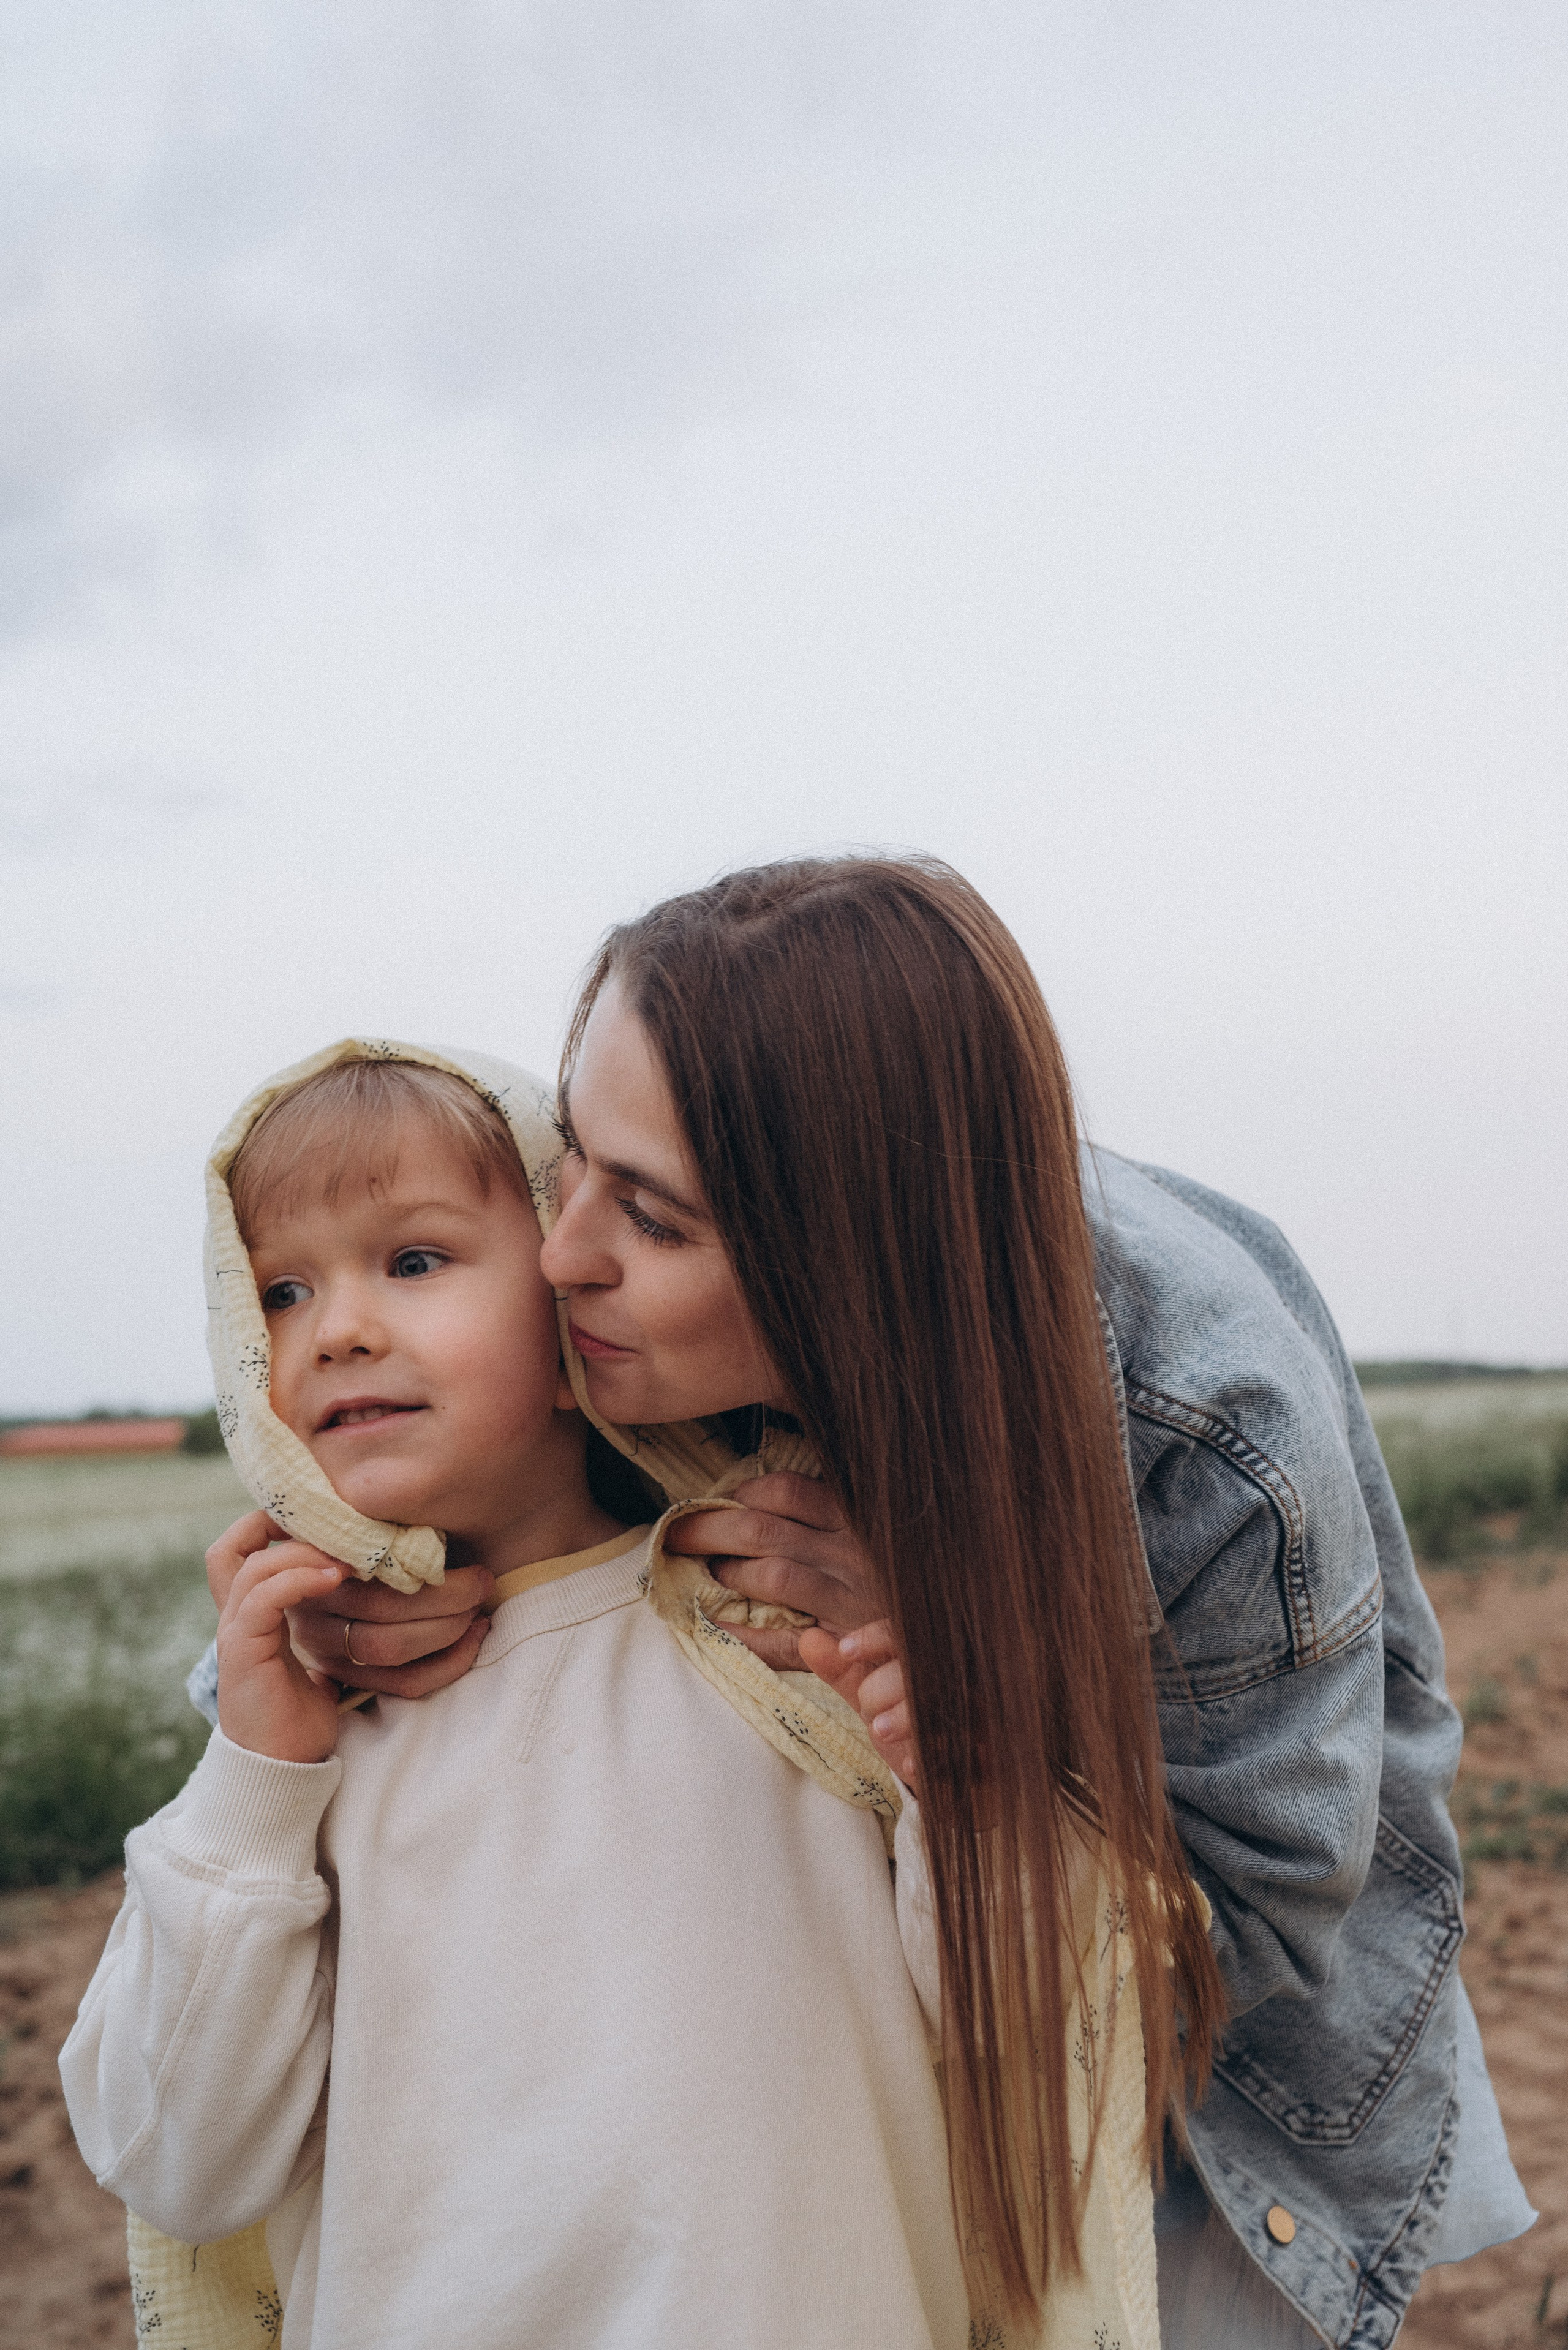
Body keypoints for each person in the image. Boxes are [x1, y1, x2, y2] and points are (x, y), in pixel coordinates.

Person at [260, 855, 1532, 2350]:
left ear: (841, 1254)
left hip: (1217, 2103)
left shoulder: (1194, 1425)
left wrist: (956, 1649)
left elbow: (1251, 1932)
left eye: (653, 1217)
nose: (559, 1251)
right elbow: (424, 1449)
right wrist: (332, 1599)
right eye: (571, 1158)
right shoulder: (615, 1306)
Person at [62, 1035, 1182, 2350]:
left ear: (572, 1314)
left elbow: (1042, 2028)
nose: (338, 1328)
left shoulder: (788, 1635)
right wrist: (256, 1774)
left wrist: (966, 1784)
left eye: (413, 1259)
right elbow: (175, 2158)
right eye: (281, 1291)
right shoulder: (301, 1732)